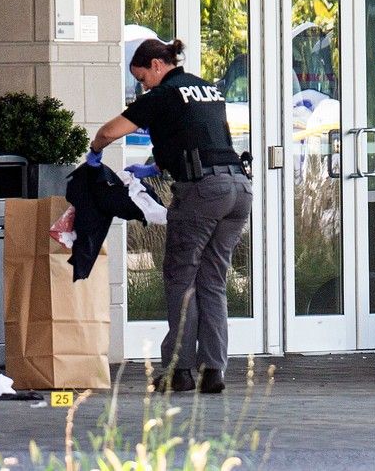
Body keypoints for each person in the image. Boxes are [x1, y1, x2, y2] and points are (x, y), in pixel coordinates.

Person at [88, 39, 252, 394]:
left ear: (158, 65)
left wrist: (95, 152)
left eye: (142, 77)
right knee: (213, 280)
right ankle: (214, 371)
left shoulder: (163, 95)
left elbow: (109, 131)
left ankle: (179, 370)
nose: (142, 86)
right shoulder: (208, 90)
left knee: (181, 277)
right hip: (238, 189)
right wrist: (154, 167)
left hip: (203, 192)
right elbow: (200, 137)